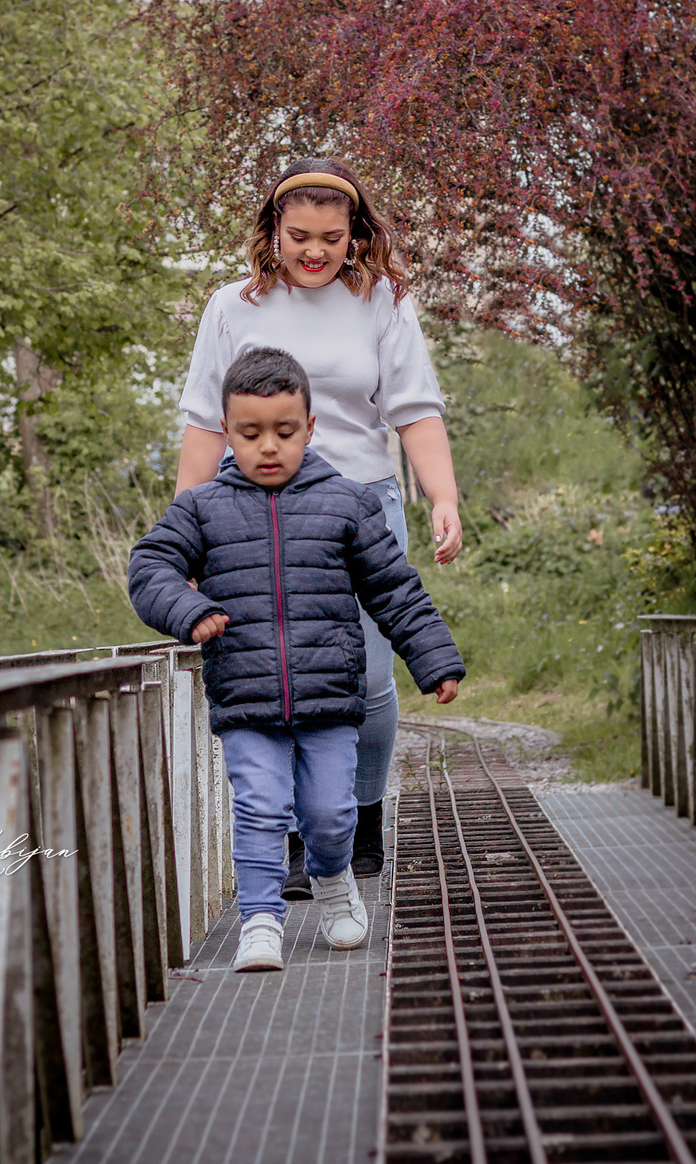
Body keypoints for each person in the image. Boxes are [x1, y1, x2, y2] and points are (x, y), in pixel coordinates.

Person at [175, 158, 463, 889]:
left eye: (331, 238)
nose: (314, 252)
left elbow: (414, 408)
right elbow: (205, 423)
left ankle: (358, 819)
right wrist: (186, 533)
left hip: (358, 505)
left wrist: (443, 496)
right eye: (299, 235)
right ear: (272, 231)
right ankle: (298, 836)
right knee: (275, 671)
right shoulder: (231, 307)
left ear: (353, 235)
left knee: (363, 678)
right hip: (250, 511)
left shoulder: (382, 300)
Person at [129, 347, 464, 971]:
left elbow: (394, 590)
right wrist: (187, 611)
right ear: (227, 432)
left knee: (330, 812)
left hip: (332, 698)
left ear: (310, 428)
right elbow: (150, 566)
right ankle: (260, 918)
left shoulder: (346, 504)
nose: (268, 446)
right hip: (247, 696)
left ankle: (334, 880)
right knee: (259, 805)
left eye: (284, 431)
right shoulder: (202, 509)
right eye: (250, 433)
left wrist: (434, 659)